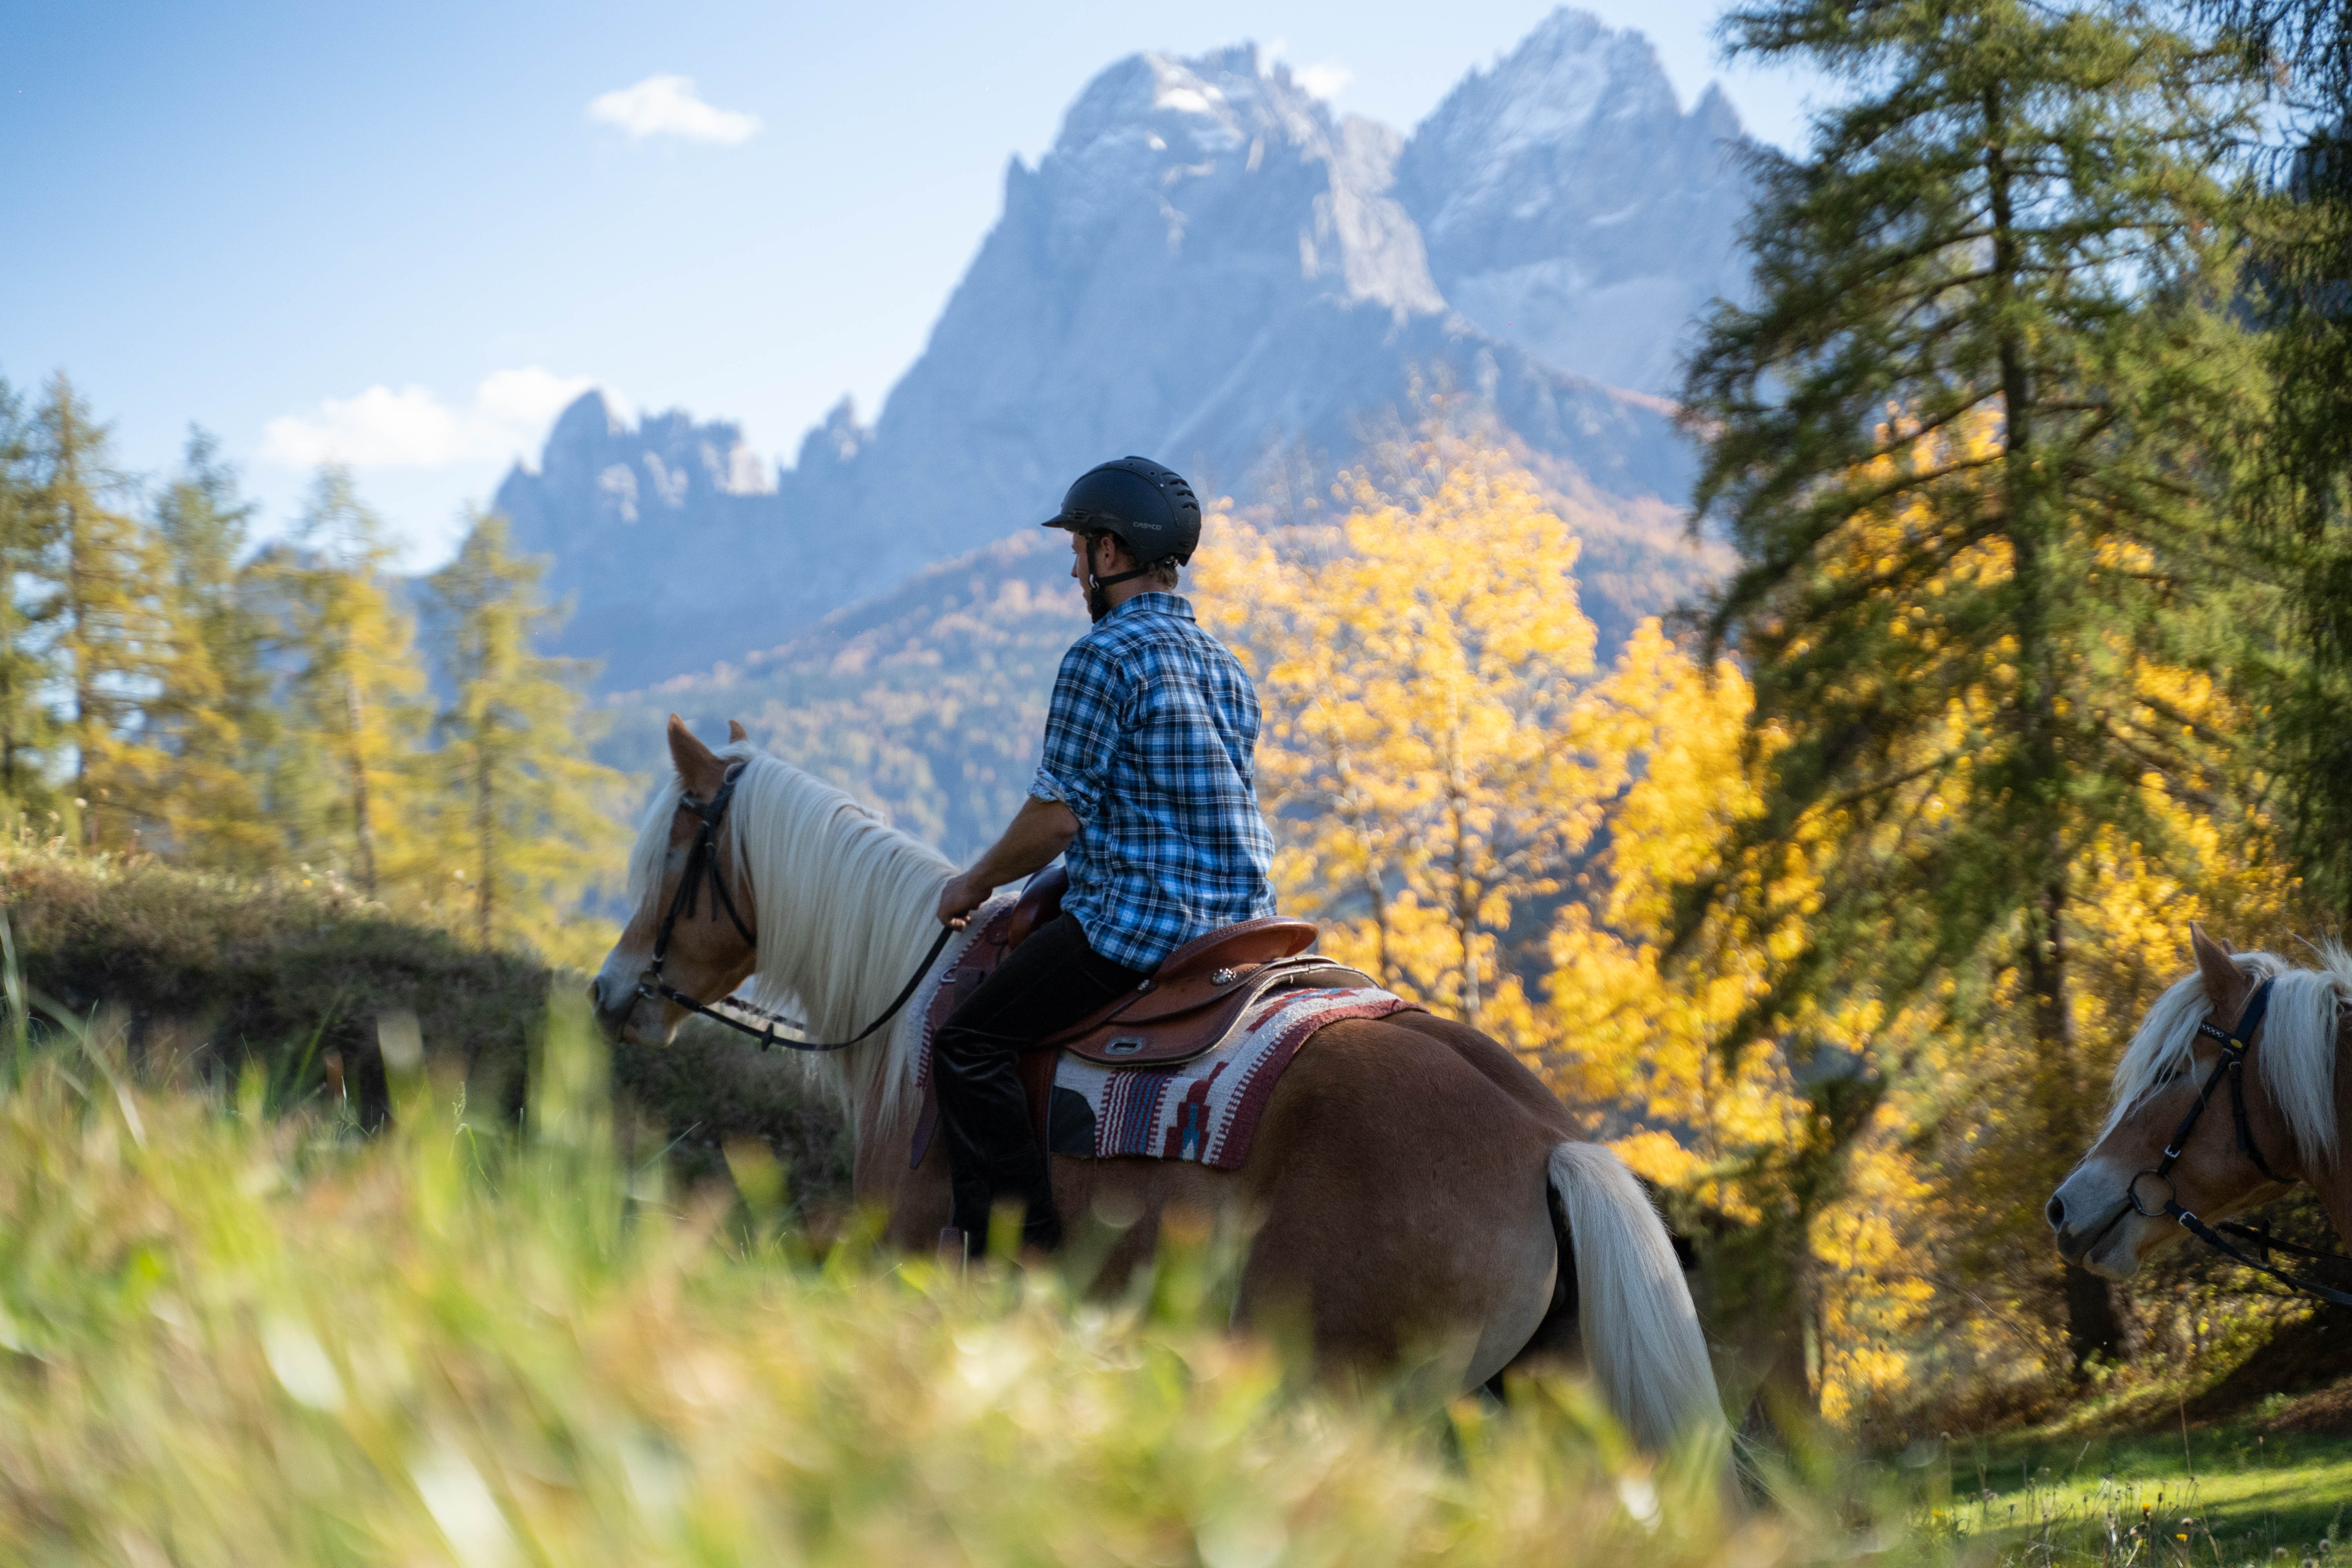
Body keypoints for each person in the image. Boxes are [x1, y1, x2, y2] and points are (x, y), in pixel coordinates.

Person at [931, 456, 1277, 1253]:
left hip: (1139, 930)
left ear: (1111, 551)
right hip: (1242, 929)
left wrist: (973, 883)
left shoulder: (1102, 656)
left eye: (1079, 550)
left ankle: (1019, 1256)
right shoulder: (1226, 667)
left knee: (969, 1043)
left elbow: (1056, 819)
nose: (1075, 570)